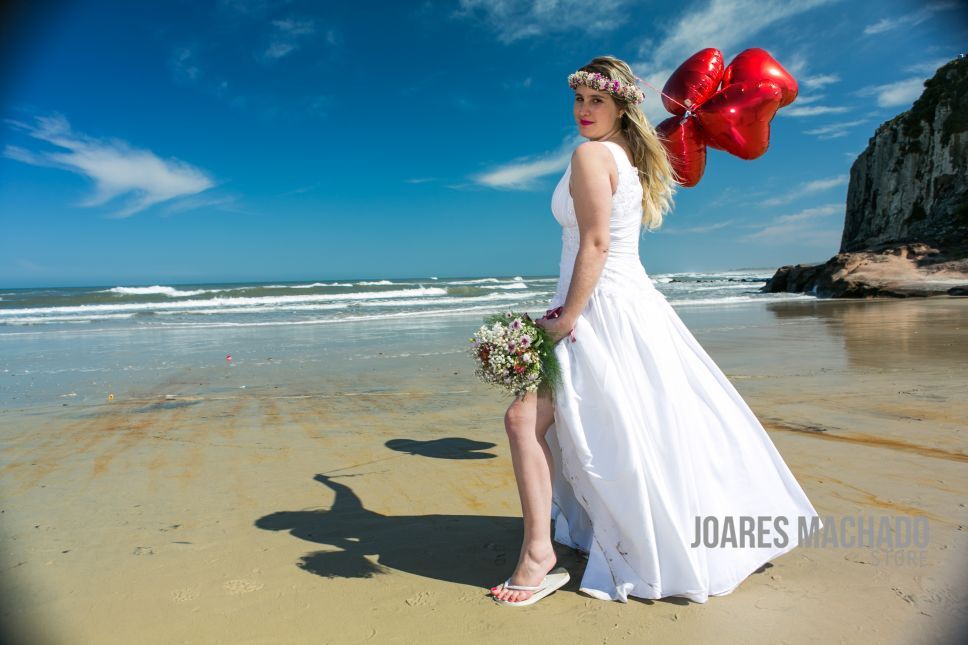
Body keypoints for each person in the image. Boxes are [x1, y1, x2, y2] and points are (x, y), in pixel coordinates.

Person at [489, 55, 822, 607]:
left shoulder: (592, 155)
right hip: (623, 303)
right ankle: (574, 541)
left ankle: (539, 556)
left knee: (529, 419)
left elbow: (596, 243)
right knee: (627, 424)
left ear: (622, 106)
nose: (583, 110)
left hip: (596, 307)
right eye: (578, 99)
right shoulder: (626, 157)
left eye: (597, 100)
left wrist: (567, 317)